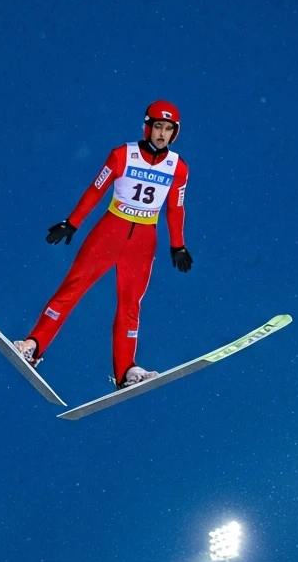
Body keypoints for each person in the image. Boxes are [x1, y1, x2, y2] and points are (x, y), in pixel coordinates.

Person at [14, 100, 192, 388]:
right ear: (148, 127)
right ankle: (33, 345)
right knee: (72, 288)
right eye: (158, 126)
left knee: (130, 305)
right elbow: (96, 189)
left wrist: (178, 245)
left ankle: (126, 372)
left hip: (144, 240)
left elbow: (176, 208)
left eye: (168, 129)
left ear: (175, 133)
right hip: (110, 231)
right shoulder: (123, 155)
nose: (162, 134)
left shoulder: (178, 168)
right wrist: (72, 222)